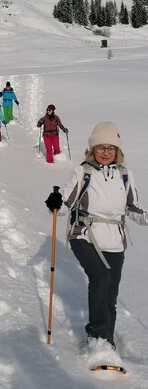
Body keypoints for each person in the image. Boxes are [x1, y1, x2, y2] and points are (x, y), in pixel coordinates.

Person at [45, 121, 148, 349]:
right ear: (92, 149)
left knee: (110, 292)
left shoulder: (125, 175)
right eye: (100, 148)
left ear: (117, 151)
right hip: (84, 234)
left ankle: (107, 340)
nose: (105, 153)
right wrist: (55, 203)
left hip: (115, 238)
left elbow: (133, 208)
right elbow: (65, 204)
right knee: (100, 278)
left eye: (111, 148)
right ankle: (97, 337)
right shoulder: (83, 173)